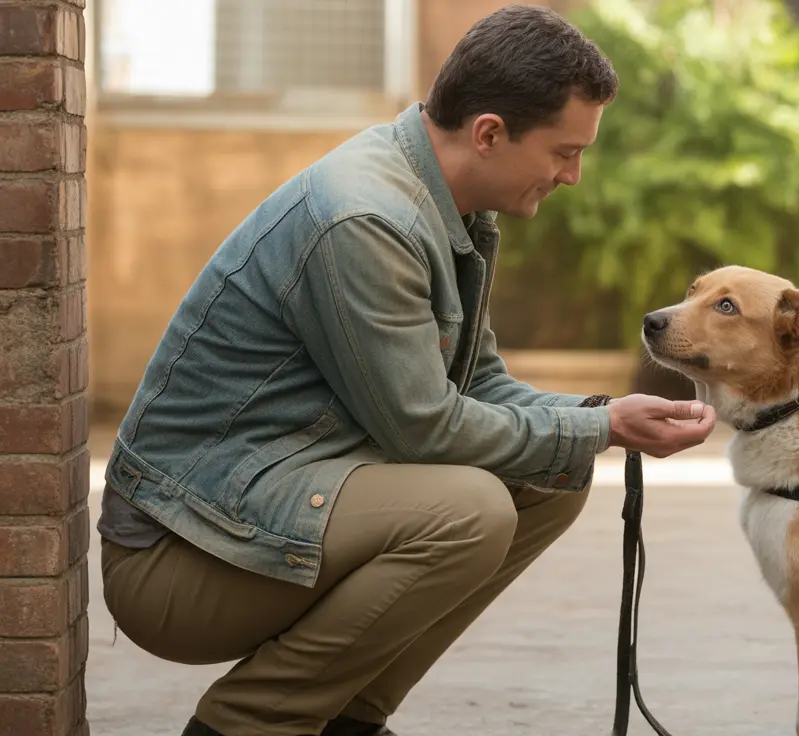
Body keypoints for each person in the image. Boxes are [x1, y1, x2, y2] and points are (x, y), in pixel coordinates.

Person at [96, 6, 717, 735]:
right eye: (564, 152)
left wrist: (599, 419)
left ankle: (346, 719)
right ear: (489, 133)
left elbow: (480, 385)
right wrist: (598, 427)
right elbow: (424, 426)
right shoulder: (367, 219)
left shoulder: (443, 202)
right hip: (178, 556)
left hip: (268, 500)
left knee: (551, 476)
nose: (573, 177)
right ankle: (249, 724)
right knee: (467, 513)